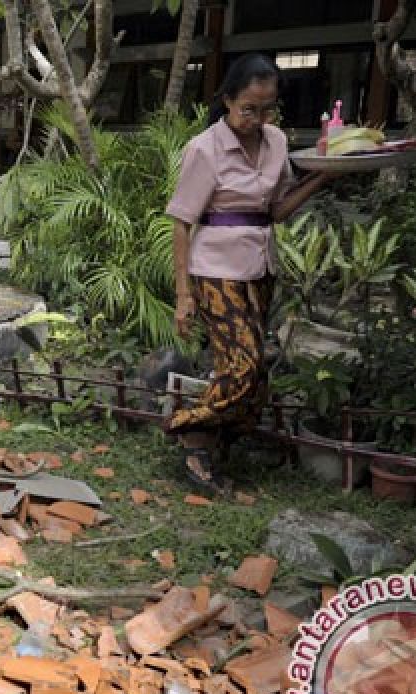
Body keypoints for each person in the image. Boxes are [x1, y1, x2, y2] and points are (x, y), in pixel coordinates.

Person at [164, 53, 332, 493]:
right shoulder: (205, 148)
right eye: (248, 109)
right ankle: (189, 431)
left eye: (267, 108)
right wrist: (184, 296)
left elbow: (276, 211)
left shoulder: (276, 142)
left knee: (254, 374)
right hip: (214, 270)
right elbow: (182, 222)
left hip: (260, 266)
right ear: (226, 101)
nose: (258, 118)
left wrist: (322, 178)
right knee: (244, 366)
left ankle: (220, 441)